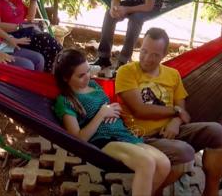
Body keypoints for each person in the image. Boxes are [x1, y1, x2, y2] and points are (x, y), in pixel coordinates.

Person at [115, 28, 222, 196]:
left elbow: (183, 111)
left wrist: (175, 122)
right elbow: (140, 110)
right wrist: (175, 112)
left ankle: (211, 191)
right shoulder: (126, 72)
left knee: (218, 132)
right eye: (144, 51)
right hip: (142, 137)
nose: (147, 58)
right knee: (185, 153)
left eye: (154, 55)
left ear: (164, 54)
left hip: (172, 133)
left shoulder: (173, 75)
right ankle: (154, 190)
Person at [53, 49, 170, 196]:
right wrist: (102, 114)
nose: (87, 77)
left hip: (124, 135)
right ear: (65, 78)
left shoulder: (95, 86)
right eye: (81, 75)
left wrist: (115, 109)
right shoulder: (65, 101)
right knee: (146, 163)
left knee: (164, 164)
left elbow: (109, 108)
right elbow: (78, 139)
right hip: (104, 141)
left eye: (88, 71)